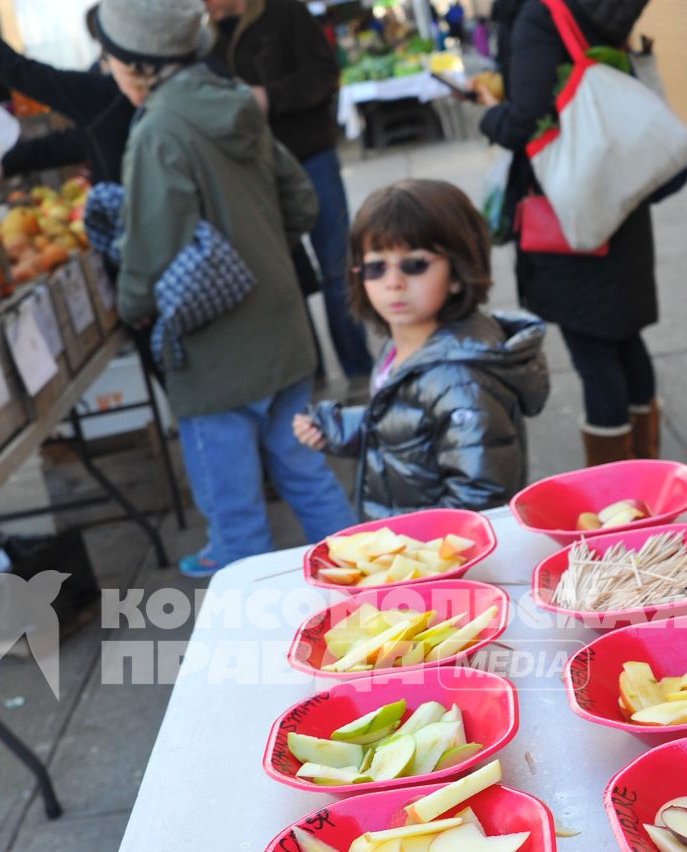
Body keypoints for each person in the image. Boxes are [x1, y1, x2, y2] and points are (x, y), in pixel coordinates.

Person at [92, 0, 354, 579]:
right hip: (282, 328)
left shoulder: (158, 129)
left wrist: (133, 306)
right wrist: (257, 246)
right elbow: (302, 202)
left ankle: (254, 623)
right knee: (305, 469)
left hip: (215, 353)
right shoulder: (237, 99)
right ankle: (364, 581)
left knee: (233, 512)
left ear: (136, 65)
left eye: (108, 57)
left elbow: (152, 249)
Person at [478, 0, 663, 464]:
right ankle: (647, 466)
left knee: (595, 356)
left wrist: (488, 112)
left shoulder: (542, 16)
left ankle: (618, 491)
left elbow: (525, 119)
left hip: (569, 211)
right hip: (620, 195)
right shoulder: (597, 11)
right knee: (623, 337)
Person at [292, 180, 547, 517]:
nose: (393, 282)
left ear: (457, 272)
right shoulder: (404, 346)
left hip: (438, 561)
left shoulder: (460, 381)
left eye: (414, 265)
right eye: (375, 267)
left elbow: (479, 499)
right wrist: (338, 427)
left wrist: (412, 553)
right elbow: (406, 426)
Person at [203, 0, 376, 392]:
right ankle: (308, 376)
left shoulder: (285, 12)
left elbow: (324, 74)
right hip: (252, 171)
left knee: (337, 268)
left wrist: (269, 96)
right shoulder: (202, 39)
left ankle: (358, 371)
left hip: (311, 156)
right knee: (282, 278)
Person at [0, 1, 134, 184]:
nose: (100, 63)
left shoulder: (108, 95)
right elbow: (72, 143)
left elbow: (17, 71)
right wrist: (4, 165)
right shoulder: (130, 98)